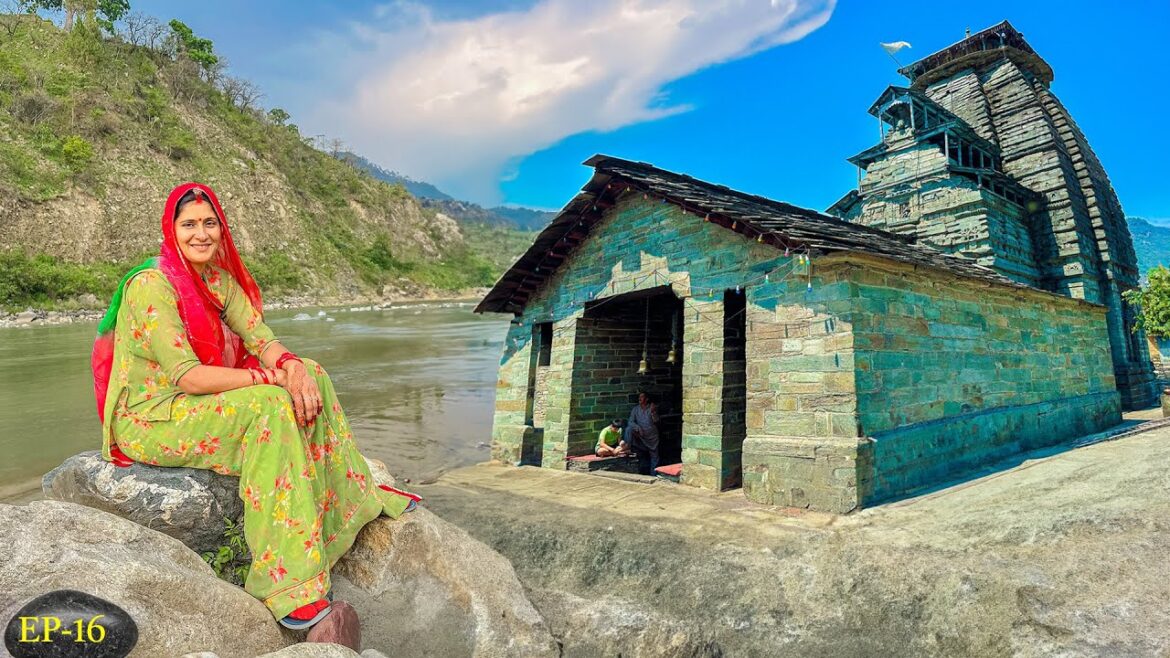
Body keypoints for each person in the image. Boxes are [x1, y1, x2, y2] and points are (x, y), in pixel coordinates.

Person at [90, 183, 419, 631]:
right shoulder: (152, 285)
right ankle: (288, 584)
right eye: (189, 225)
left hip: (197, 405)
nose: (200, 233)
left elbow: (261, 339)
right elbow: (188, 376)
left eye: (210, 223)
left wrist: (290, 365)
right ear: (172, 230)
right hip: (153, 416)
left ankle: (354, 497)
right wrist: (270, 377)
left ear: (222, 230)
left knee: (312, 373)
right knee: (267, 404)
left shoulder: (217, 281)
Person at [626, 392, 660, 475]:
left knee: (654, 457)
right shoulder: (636, 409)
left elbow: (656, 421)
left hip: (652, 437)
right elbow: (630, 422)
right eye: (639, 397)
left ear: (646, 399)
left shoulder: (651, 408)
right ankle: (627, 448)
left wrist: (653, 412)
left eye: (642, 397)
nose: (640, 399)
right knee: (629, 429)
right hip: (641, 436)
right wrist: (638, 428)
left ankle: (654, 475)